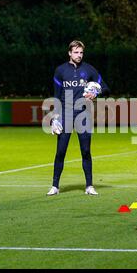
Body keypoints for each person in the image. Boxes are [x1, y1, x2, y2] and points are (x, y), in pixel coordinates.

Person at [47, 40, 110, 196]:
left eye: (81, 52)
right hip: (65, 114)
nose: (79, 55)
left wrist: (96, 93)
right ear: (69, 53)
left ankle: (89, 186)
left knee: (86, 151)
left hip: (83, 114)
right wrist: (54, 118)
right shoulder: (60, 70)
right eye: (76, 52)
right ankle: (55, 186)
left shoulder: (89, 69)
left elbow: (106, 87)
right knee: (60, 151)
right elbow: (56, 95)